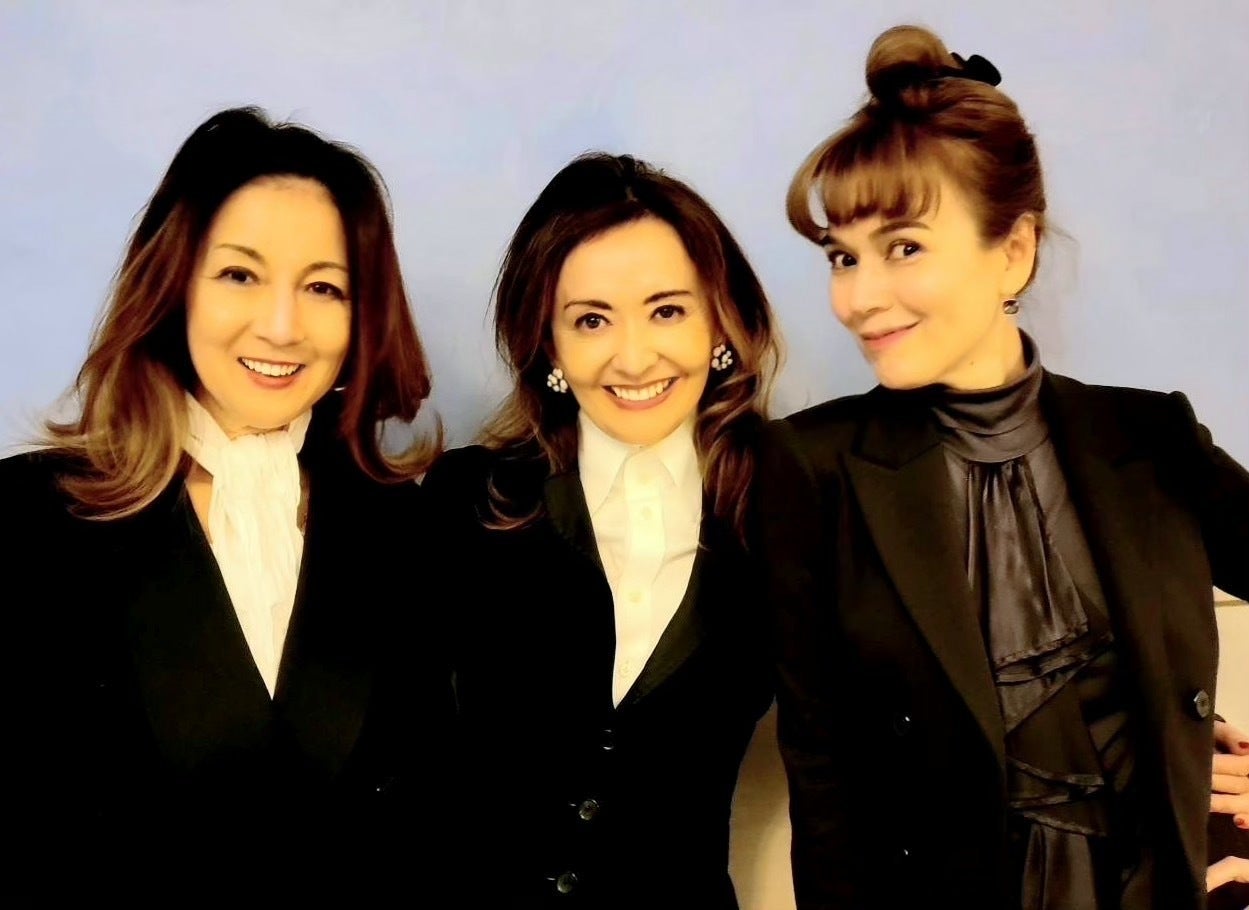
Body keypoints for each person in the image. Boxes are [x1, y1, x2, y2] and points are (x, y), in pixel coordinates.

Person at [757, 24, 1249, 910]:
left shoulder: (1151, 438)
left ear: (1012, 252)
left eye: (903, 247)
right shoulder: (813, 467)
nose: (858, 298)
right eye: (841, 257)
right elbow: (822, 780)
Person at [0, 107, 451, 902]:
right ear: (174, 284)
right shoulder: (23, 517)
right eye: (240, 275)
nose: (281, 327)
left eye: (323, 287)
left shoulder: (407, 529)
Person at [422, 152, 780, 907]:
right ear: (548, 344)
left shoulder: (786, 512)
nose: (634, 357)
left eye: (667, 310)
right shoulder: (466, 499)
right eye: (591, 320)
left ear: (720, 322)